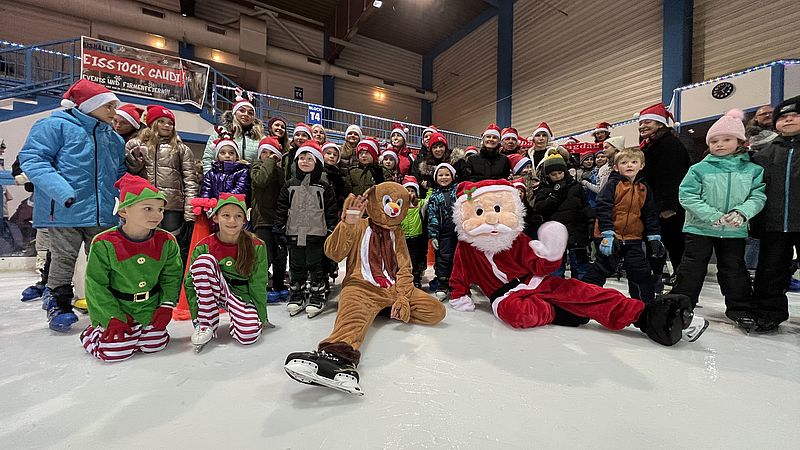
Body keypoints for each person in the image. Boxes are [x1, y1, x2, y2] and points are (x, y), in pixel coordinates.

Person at [447, 178, 707, 345]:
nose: (492, 220)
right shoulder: (467, 247)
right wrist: (460, 295)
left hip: (536, 282)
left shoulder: (517, 239)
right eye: (480, 212)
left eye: (497, 211)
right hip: (505, 297)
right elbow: (460, 274)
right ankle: (560, 312)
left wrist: (550, 255)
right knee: (516, 315)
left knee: (583, 291)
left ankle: (645, 315)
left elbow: (538, 266)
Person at [284, 183, 446, 396]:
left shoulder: (397, 234)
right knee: (353, 317)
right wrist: (347, 224)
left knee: (436, 311)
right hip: (362, 287)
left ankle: (384, 309)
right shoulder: (359, 225)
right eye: (388, 202)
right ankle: (337, 357)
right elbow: (333, 253)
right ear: (374, 201)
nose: (394, 209)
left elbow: (405, 269)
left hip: (392, 289)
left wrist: (403, 299)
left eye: (399, 204)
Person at [19, 79, 127, 332]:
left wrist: (127, 195)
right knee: (64, 258)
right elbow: (33, 159)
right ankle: (58, 303)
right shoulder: (55, 125)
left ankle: (103, 301)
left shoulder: (113, 138)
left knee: (103, 260)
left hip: (103, 212)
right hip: (66, 208)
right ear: (90, 105)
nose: (114, 113)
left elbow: (118, 172)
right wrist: (62, 191)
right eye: (109, 106)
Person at [670, 113, 766, 330]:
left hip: (734, 230)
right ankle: (680, 306)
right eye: (714, 141)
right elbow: (687, 195)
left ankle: (740, 308)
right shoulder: (699, 169)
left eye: (726, 139)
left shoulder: (752, 170)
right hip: (700, 228)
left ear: (740, 142)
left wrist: (742, 213)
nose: (719, 144)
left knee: (734, 268)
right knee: (691, 268)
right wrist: (712, 215)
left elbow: (758, 196)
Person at [80, 173, 183, 362]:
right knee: (115, 352)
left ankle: (138, 333)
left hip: (149, 307)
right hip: (118, 307)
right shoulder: (104, 243)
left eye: (160, 209)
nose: (157, 215)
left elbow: (172, 277)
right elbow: (96, 284)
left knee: (155, 345)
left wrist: (166, 305)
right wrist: (111, 316)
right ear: (124, 211)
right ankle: (91, 334)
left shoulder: (167, 241)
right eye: (147, 208)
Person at [185, 193, 268, 350]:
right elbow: (190, 284)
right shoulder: (204, 246)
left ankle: (242, 320)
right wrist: (196, 317)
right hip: (211, 293)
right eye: (226, 215)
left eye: (238, 216)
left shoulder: (256, 245)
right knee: (203, 262)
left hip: (240, 296)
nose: (232, 221)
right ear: (215, 218)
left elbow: (258, 282)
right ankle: (206, 323)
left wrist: (261, 316)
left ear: (245, 219)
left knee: (248, 336)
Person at [583, 148, 663, 303]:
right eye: (624, 162)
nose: (629, 166)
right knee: (601, 269)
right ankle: (582, 300)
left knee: (640, 272)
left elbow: (649, 213)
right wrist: (607, 233)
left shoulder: (644, 188)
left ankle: (645, 307)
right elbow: (603, 208)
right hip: (610, 237)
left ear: (641, 165)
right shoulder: (613, 184)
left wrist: (654, 237)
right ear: (616, 167)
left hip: (633, 238)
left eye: (634, 162)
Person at [749, 96, 800, 332]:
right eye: (783, 117)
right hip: (774, 224)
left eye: (795, 115)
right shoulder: (764, 153)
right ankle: (768, 312)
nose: (788, 119)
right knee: (770, 270)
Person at [273, 141, 338, 318]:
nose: (305, 161)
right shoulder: (289, 185)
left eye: (310, 158)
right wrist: (279, 227)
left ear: (317, 162)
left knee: (315, 265)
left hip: (316, 234)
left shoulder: (323, 186)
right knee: (296, 265)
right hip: (294, 232)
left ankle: (317, 295)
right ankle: (297, 295)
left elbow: (331, 210)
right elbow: (281, 207)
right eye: (301, 158)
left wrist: (332, 229)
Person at [126, 105, 198, 263]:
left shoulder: (181, 149)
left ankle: (170, 282)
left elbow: (190, 181)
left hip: (172, 207)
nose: (167, 125)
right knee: (142, 245)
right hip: (144, 203)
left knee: (170, 247)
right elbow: (128, 175)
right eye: (162, 121)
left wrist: (190, 211)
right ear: (152, 123)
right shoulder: (135, 145)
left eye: (170, 123)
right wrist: (135, 161)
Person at [636, 102, 692, 287]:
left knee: (675, 246)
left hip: (668, 207)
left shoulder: (669, 144)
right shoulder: (648, 146)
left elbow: (672, 177)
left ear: (660, 124)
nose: (643, 126)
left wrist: (667, 206)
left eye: (648, 122)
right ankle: (656, 282)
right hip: (652, 205)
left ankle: (683, 285)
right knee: (655, 246)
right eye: (641, 122)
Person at [531, 155, 593, 281]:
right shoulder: (544, 190)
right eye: (554, 174)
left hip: (577, 231)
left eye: (560, 173)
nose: (558, 176)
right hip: (555, 235)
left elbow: (585, 206)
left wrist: (591, 222)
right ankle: (556, 293)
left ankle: (582, 293)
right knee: (556, 269)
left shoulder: (576, 186)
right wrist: (554, 196)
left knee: (581, 267)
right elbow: (539, 208)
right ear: (548, 175)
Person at [251, 136, 287, 303]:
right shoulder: (257, 167)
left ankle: (279, 284)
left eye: (271, 152)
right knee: (265, 256)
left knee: (280, 255)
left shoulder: (280, 172)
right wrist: (270, 162)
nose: (268, 155)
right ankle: (262, 285)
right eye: (264, 152)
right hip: (262, 219)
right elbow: (261, 180)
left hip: (278, 219)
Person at [202, 91, 264, 171]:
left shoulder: (259, 137)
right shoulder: (220, 132)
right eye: (242, 110)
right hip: (221, 180)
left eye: (250, 113)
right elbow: (208, 159)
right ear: (234, 113)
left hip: (247, 181)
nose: (246, 114)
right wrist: (210, 179)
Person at [427, 163, 459, 300]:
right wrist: (433, 235)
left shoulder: (458, 191)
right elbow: (432, 216)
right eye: (440, 175)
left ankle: (458, 284)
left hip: (459, 232)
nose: (444, 177)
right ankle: (443, 284)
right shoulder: (434, 196)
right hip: (443, 233)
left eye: (447, 174)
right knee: (443, 258)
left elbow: (469, 202)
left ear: (452, 176)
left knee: (458, 258)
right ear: (436, 178)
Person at [199, 127, 250, 200]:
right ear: (217, 156)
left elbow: (240, 189)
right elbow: (206, 191)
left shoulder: (242, 172)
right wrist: (206, 202)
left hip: (234, 206)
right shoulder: (211, 174)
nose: (227, 155)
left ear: (237, 156)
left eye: (231, 153)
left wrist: (223, 200)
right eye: (223, 153)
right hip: (214, 208)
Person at [582, 136, 624, 208]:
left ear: (616, 148)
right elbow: (601, 190)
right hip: (607, 205)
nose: (604, 150)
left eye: (606, 147)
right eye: (603, 148)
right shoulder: (602, 169)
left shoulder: (625, 165)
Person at [400, 175, 427, 289]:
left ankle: (416, 278)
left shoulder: (420, 204)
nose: (410, 193)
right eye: (407, 190)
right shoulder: (400, 205)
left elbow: (429, 199)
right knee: (406, 259)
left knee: (416, 258)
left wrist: (427, 188)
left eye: (412, 190)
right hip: (404, 237)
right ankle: (406, 278)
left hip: (417, 237)